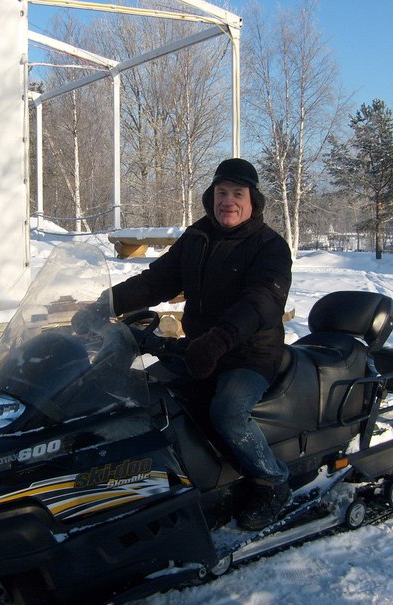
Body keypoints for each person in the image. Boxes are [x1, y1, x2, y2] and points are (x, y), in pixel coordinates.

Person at [76, 158, 292, 530]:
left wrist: (219, 339)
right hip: (200, 348)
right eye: (221, 193)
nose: (228, 201)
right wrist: (105, 304)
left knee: (228, 411)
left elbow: (262, 302)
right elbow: (156, 280)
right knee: (145, 395)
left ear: (253, 201)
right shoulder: (198, 237)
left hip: (249, 354)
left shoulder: (269, 246)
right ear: (211, 197)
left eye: (237, 194)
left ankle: (272, 481)